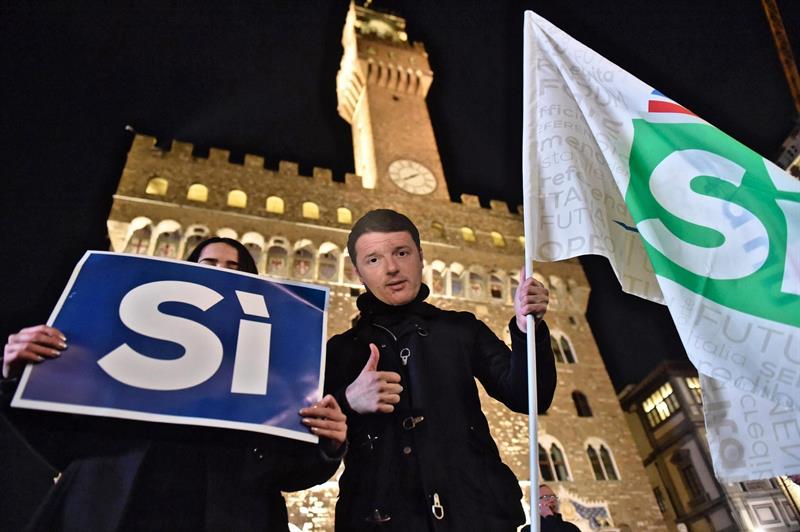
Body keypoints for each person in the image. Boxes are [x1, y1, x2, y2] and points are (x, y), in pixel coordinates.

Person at [2, 237, 346, 531]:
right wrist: (25, 375)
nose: (221, 273)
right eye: (209, 263)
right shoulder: (116, 342)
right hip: (112, 509)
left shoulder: (283, 369)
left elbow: (288, 471)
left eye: (235, 268)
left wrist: (327, 444)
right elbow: (61, 436)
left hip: (229, 515)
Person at [324, 209, 558, 531]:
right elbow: (308, 441)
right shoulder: (340, 350)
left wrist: (525, 329)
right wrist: (347, 400)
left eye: (401, 253)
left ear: (420, 257)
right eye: (374, 260)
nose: (392, 268)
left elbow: (531, 396)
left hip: (476, 516)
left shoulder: (461, 329)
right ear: (358, 273)